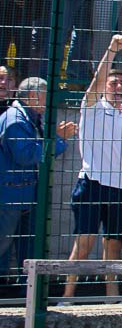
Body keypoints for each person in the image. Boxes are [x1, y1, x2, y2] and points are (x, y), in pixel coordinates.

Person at [63, 35, 122, 299]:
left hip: (120, 189)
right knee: (84, 244)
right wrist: (111, 50)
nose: (118, 86)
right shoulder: (91, 108)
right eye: (114, 83)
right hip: (92, 184)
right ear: (104, 87)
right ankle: (67, 296)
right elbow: (97, 82)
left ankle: (112, 296)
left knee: (113, 246)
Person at [0, 77, 76, 288]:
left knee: (27, 247)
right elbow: (25, 155)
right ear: (33, 96)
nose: (49, 100)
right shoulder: (16, 120)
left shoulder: (29, 118)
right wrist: (58, 139)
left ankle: (26, 292)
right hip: (10, 197)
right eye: (46, 95)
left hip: (23, 195)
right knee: (3, 246)